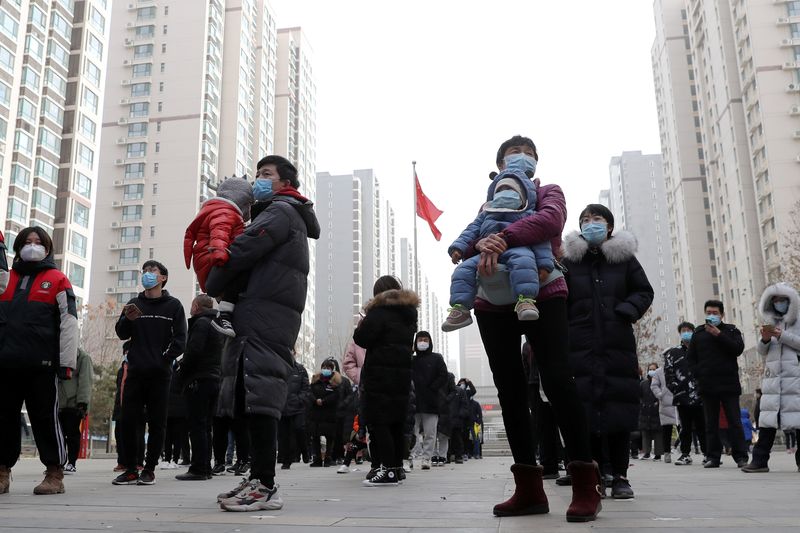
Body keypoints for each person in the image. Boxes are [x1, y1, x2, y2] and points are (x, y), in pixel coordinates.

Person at [467, 136, 601, 522]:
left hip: (544, 290)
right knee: (509, 389)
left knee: (559, 380)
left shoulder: (548, 192)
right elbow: (474, 236)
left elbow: (551, 222)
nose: (521, 159)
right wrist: (479, 249)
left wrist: (504, 237)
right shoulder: (488, 202)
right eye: (514, 154)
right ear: (499, 164)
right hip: (492, 298)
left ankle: (584, 484)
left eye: (528, 155)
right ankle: (528, 489)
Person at [208, 155, 320, 511]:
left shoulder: (281, 211)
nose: (257, 179)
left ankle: (266, 485)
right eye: (256, 174)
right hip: (260, 311)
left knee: (260, 397)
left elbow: (240, 251)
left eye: (266, 174)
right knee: (249, 394)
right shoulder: (277, 212)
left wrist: (215, 272)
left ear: (286, 183)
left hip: (265, 314)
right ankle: (258, 476)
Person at [562, 203, 654, 499]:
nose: (591, 224)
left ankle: (622, 476)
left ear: (609, 226)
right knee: (585, 411)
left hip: (617, 345)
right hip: (580, 347)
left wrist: (624, 312)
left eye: (597, 219)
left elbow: (644, 291)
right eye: (585, 220)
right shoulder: (569, 262)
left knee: (619, 409)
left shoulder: (624, 260)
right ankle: (597, 474)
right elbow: (558, 298)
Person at [0, 227, 79, 495]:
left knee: (45, 419)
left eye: (38, 242)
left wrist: (66, 362)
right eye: (26, 242)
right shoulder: (4, 279)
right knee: (4, 419)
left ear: (47, 249)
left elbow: (69, 323)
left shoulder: (58, 280)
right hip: (6, 364)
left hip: (42, 365)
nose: (32, 246)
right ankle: (2, 471)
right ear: (17, 247)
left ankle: (54, 473)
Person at [443, 158, 553, 331]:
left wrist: (545, 264)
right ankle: (461, 309)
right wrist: (458, 248)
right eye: (501, 190)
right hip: (484, 251)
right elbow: (470, 231)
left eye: (510, 190)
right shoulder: (486, 214)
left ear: (523, 195)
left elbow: (540, 240)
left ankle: (525, 301)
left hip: (517, 249)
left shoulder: (529, 214)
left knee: (524, 261)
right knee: (462, 270)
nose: (505, 192)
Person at [112, 260, 188, 486]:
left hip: (160, 373)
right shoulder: (134, 303)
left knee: (157, 422)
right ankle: (130, 467)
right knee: (128, 420)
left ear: (163, 277)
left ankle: (149, 468)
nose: (147, 274)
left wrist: (164, 359)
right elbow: (121, 333)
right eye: (145, 271)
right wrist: (128, 318)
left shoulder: (174, 306)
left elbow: (181, 340)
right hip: (135, 371)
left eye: (152, 271)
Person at [353, 275, 419, 486]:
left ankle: (388, 470)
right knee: (396, 423)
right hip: (401, 375)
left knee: (379, 421)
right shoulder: (409, 314)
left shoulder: (378, 312)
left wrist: (363, 322)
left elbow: (361, 338)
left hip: (380, 375)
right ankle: (397, 468)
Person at [184, 176, 254, 337]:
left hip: (209, 261)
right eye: (249, 204)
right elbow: (219, 234)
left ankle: (226, 316)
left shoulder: (222, 210)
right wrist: (220, 256)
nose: (250, 209)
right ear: (241, 199)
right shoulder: (225, 212)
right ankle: (224, 316)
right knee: (242, 274)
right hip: (213, 260)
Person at [742, 282, 800, 473]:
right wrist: (765, 339)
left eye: (783, 300)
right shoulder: (771, 322)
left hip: (795, 378)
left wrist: (782, 335)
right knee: (767, 422)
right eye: (775, 300)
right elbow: (762, 351)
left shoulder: (798, 320)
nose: (779, 304)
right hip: (773, 379)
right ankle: (759, 461)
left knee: (798, 420)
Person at [687, 299, 749, 468]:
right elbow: (690, 358)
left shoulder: (731, 330)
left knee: (735, 422)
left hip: (729, 384)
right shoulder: (698, 333)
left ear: (722, 314)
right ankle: (713, 456)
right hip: (707, 385)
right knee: (711, 423)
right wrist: (699, 374)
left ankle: (741, 456)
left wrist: (719, 335)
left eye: (715, 313)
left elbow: (738, 348)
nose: (711, 316)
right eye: (709, 313)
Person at [174, 294, 225, 481]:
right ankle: (205, 467)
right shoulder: (215, 323)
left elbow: (193, 351)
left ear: (196, 306)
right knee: (206, 426)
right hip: (212, 378)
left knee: (197, 425)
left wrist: (181, 370)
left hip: (199, 380)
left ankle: (198, 468)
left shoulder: (201, 323)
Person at [664, 322, 706, 465]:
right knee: (685, 427)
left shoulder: (702, 349)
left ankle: (708, 454)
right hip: (682, 396)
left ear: (694, 332)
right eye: (683, 330)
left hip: (701, 395)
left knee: (703, 426)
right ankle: (685, 454)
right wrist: (676, 389)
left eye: (689, 330)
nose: (686, 332)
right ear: (680, 333)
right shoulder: (672, 352)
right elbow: (668, 374)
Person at [410, 331, 448, 469]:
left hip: (431, 402)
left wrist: (433, 388)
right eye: (420, 339)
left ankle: (426, 458)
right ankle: (411, 456)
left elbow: (443, 375)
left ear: (430, 342)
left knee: (430, 433)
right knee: (411, 432)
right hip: (413, 402)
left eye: (425, 340)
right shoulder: (411, 359)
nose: (422, 342)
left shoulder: (436, 358)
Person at [58, 348, 93, 474]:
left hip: (73, 403)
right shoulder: (57, 353)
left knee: (72, 434)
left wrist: (82, 402)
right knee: (58, 435)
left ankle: (71, 462)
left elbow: (86, 381)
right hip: (58, 401)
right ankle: (58, 462)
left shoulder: (83, 357)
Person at [278, 350, 311, 470]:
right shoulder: (279, 368)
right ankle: (287, 460)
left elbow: (306, 388)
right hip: (283, 407)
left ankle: (305, 451)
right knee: (285, 435)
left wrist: (299, 399)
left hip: (298, 407)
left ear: (294, 353)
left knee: (299, 429)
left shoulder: (300, 369)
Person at [308, 360, 341, 467]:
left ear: (332, 370)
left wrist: (324, 401)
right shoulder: (315, 380)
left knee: (329, 437)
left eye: (328, 367)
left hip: (329, 414)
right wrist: (315, 400)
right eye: (324, 367)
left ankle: (328, 458)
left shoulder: (335, 382)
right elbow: (309, 393)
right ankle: (317, 458)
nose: (326, 369)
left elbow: (336, 396)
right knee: (315, 436)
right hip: (316, 413)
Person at [649, 361, 677, 463]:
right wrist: (660, 395)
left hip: (679, 401)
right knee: (667, 429)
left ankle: (684, 452)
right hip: (666, 403)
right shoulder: (659, 371)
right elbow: (654, 385)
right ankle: (667, 453)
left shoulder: (679, 367)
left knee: (684, 428)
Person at [639, 363, 663, 461]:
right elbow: (639, 396)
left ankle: (658, 454)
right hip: (645, 411)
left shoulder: (660, 383)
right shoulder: (643, 383)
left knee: (658, 433)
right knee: (645, 433)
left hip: (656, 411)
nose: (651, 371)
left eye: (653, 369)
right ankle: (646, 452)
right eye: (650, 369)